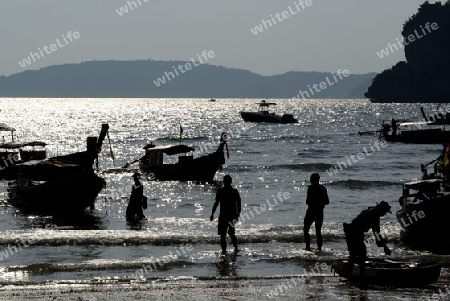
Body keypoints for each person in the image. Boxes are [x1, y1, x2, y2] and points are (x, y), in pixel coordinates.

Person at [343, 201, 392, 278]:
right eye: (385, 212)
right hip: (355, 232)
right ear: (381, 210)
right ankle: (361, 276)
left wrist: (382, 245)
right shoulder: (375, 216)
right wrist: (385, 247)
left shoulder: (370, 211)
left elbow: (376, 234)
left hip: (351, 231)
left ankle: (351, 275)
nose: (384, 214)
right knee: (361, 254)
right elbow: (377, 234)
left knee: (354, 254)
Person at [210, 175, 241, 254]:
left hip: (228, 216)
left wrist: (238, 214)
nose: (226, 183)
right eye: (225, 181)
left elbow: (239, 204)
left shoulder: (233, 191)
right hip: (228, 216)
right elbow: (216, 203)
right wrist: (212, 213)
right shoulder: (225, 191)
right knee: (226, 234)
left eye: (226, 181)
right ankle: (230, 250)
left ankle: (232, 249)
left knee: (228, 234)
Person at [303, 173, 329, 252]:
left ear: (316, 179)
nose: (310, 180)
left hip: (311, 211)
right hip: (319, 211)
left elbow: (307, 201)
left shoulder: (311, 188)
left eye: (311, 179)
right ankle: (319, 249)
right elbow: (327, 201)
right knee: (317, 231)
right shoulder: (323, 188)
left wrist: (314, 202)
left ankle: (308, 248)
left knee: (306, 230)